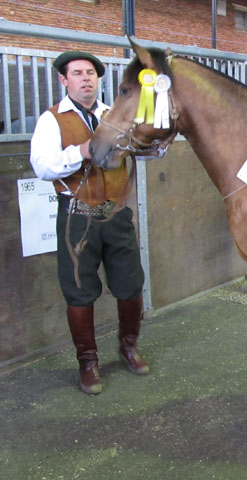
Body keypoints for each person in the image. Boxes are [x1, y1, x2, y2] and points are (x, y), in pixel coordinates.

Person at [30, 51, 148, 395]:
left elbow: (135, 150)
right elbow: (43, 167)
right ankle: (88, 363)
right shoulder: (52, 120)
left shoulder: (113, 115)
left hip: (116, 214)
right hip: (77, 216)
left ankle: (128, 348)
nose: (87, 78)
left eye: (92, 74)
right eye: (78, 73)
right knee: (79, 292)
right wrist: (81, 151)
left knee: (130, 284)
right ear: (64, 80)